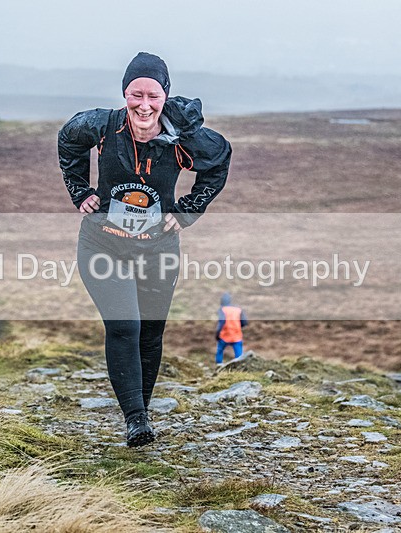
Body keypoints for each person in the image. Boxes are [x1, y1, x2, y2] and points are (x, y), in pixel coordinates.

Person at [58, 52, 231, 447]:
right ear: (125, 94)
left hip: (158, 250)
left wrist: (187, 211)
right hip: (103, 245)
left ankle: (142, 412)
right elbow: (69, 137)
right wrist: (79, 189)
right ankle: (135, 419)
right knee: (125, 326)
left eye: (153, 95)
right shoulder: (102, 126)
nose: (144, 104)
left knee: (151, 332)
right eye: (136, 94)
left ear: (165, 97)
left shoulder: (183, 138)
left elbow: (219, 159)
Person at [215, 292, 248, 364]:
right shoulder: (238, 309)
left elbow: (221, 322)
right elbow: (245, 322)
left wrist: (217, 334)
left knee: (219, 351)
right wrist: (238, 326)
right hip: (236, 335)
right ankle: (240, 368)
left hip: (224, 335)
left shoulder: (222, 309)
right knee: (239, 355)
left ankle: (218, 366)